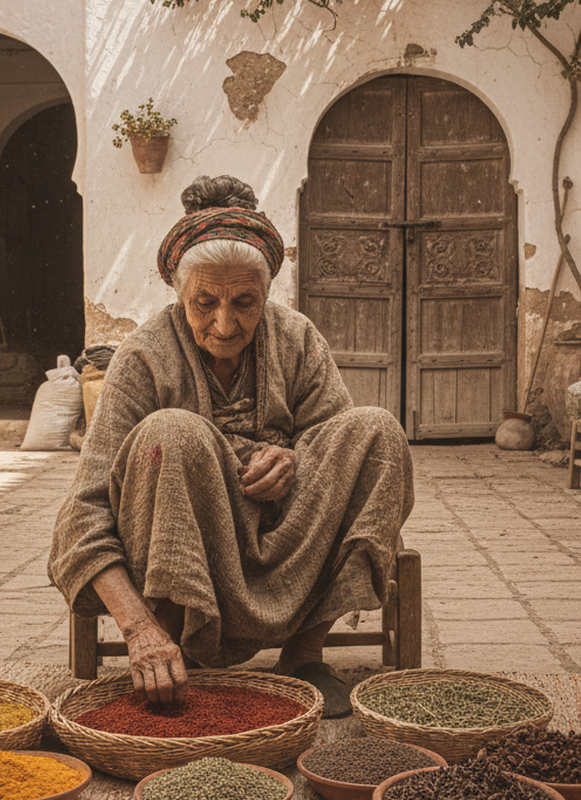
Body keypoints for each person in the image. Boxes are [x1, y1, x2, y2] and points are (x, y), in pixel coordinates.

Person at [47, 175, 414, 716]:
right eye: (205, 302)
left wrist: (292, 455)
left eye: (245, 302)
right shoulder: (143, 356)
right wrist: (138, 630)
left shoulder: (296, 337)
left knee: (378, 431)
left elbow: (336, 444)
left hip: (288, 535)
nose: (224, 323)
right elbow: (83, 514)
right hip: (184, 539)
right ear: (179, 293)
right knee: (172, 430)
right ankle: (170, 648)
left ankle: (304, 653)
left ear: (266, 296)